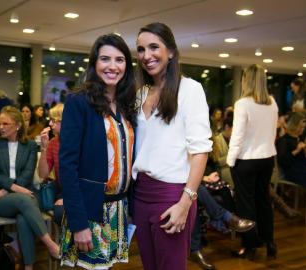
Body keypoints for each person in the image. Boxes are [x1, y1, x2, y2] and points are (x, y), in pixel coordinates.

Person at [132, 22, 212, 270]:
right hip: (140, 194)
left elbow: (200, 151)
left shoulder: (190, 89)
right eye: (141, 49)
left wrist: (185, 203)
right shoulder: (140, 93)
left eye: (154, 47)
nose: (147, 55)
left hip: (171, 195)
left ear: (172, 52)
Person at [59, 33, 136, 269]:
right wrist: (78, 222)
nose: (112, 66)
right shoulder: (78, 102)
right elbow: (67, 165)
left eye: (119, 60)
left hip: (119, 208)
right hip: (90, 209)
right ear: (94, 63)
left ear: (127, 65)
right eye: (105, 59)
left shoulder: (127, 104)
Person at [0, 106, 59, 269]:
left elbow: (27, 175)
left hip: (20, 193)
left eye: (6, 124)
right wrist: (12, 189)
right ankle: (51, 244)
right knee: (25, 201)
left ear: (18, 125)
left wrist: (7, 189)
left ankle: (28, 266)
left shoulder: (30, 145)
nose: (1, 127)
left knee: (24, 216)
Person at [227, 64, 278, 259]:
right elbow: (272, 133)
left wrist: (231, 161)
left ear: (246, 80)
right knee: (264, 201)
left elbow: (237, 137)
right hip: (267, 159)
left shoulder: (243, 103)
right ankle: (269, 241)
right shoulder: (272, 102)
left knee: (245, 205)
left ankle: (249, 246)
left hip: (246, 160)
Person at [276, 112, 306, 220]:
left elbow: (305, 161)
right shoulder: (283, 140)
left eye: (303, 127)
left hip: (303, 169)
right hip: (292, 171)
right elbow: (283, 161)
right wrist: (297, 150)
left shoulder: (300, 138)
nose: (303, 129)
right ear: (295, 126)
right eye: (301, 127)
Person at [38, 103, 65, 224]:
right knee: (60, 212)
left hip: (81, 191)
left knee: (62, 212)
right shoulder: (54, 142)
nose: (50, 124)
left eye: (54, 120)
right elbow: (43, 174)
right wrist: (44, 148)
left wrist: (67, 198)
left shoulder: (81, 141)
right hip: (62, 189)